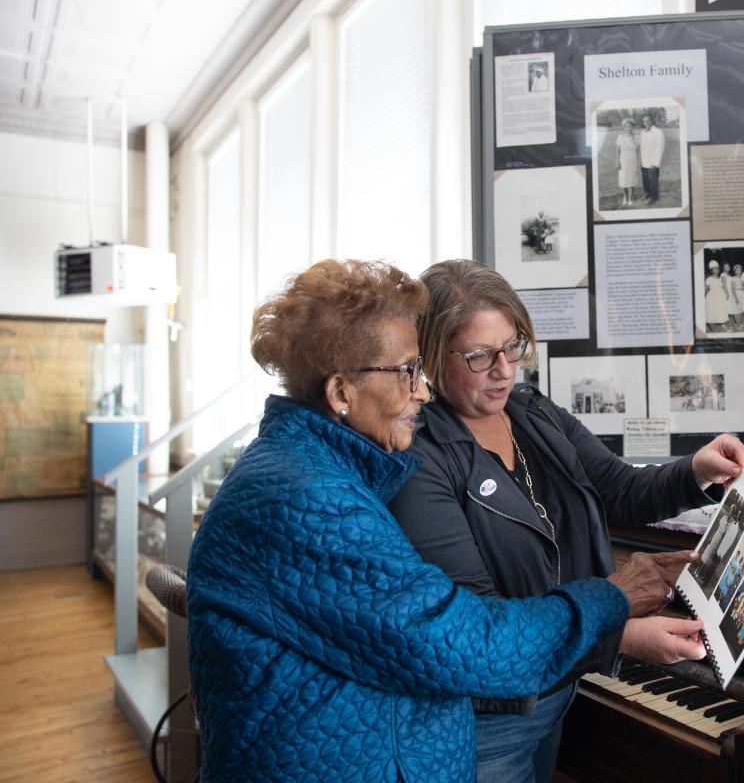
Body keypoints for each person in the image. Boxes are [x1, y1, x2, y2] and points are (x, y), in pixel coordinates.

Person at [187, 259, 694, 783]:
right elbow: (467, 642)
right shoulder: (308, 500)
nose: (422, 391)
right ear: (341, 393)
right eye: (408, 371)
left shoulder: (320, 471)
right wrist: (613, 600)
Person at [388, 259, 744, 783]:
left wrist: (696, 470)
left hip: (560, 687)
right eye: (479, 355)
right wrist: (620, 632)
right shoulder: (420, 456)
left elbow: (621, 490)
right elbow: (481, 623)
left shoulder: (533, 414)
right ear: (429, 355)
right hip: (484, 721)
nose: (504, 369)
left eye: (513, 346)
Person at [640, 113, 666, 204]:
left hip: (653, 162)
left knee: (653, 181)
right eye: (644, 121)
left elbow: (660, 148)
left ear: (652, 121)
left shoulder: (658, 132)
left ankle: (654, 197)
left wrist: (655, 163)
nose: (646, 122)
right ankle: (647, 194)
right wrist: (642, 161)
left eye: (648, 120)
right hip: (644, 162)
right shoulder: (643, 132)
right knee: (645, 180)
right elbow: (643, 147)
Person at [615, 117, 641, 206]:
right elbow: (618, 151)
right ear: (624, 128)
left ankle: (631, 197)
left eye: (630, 127)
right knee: (624, 178)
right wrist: (617, 161)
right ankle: (625, 196)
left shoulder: (637, 137)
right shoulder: (620, 137)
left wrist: (638, 162)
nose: (628, 128)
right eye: (626, 127)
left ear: (633, 127)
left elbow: (638, 151)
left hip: (632, 159)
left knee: (632, 178)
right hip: (623, 159)